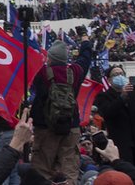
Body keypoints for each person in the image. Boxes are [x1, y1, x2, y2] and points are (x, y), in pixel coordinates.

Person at [29, 38, 92, 185]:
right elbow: (85, 58)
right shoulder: (76, 72)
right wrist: (85, 42)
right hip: (71, 125)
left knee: (42, 168)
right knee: (69, 166)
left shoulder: (41, 72)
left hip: (45, 127)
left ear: (50, 57)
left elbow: (26, 56)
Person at [95, 66, 135, 174]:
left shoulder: (133, 94)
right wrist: (122, 97)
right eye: (115, 74)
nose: (119, 76)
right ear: (109, 80)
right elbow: (108, 113)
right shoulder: (103, 96)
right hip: (121, 144)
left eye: (121, 73)